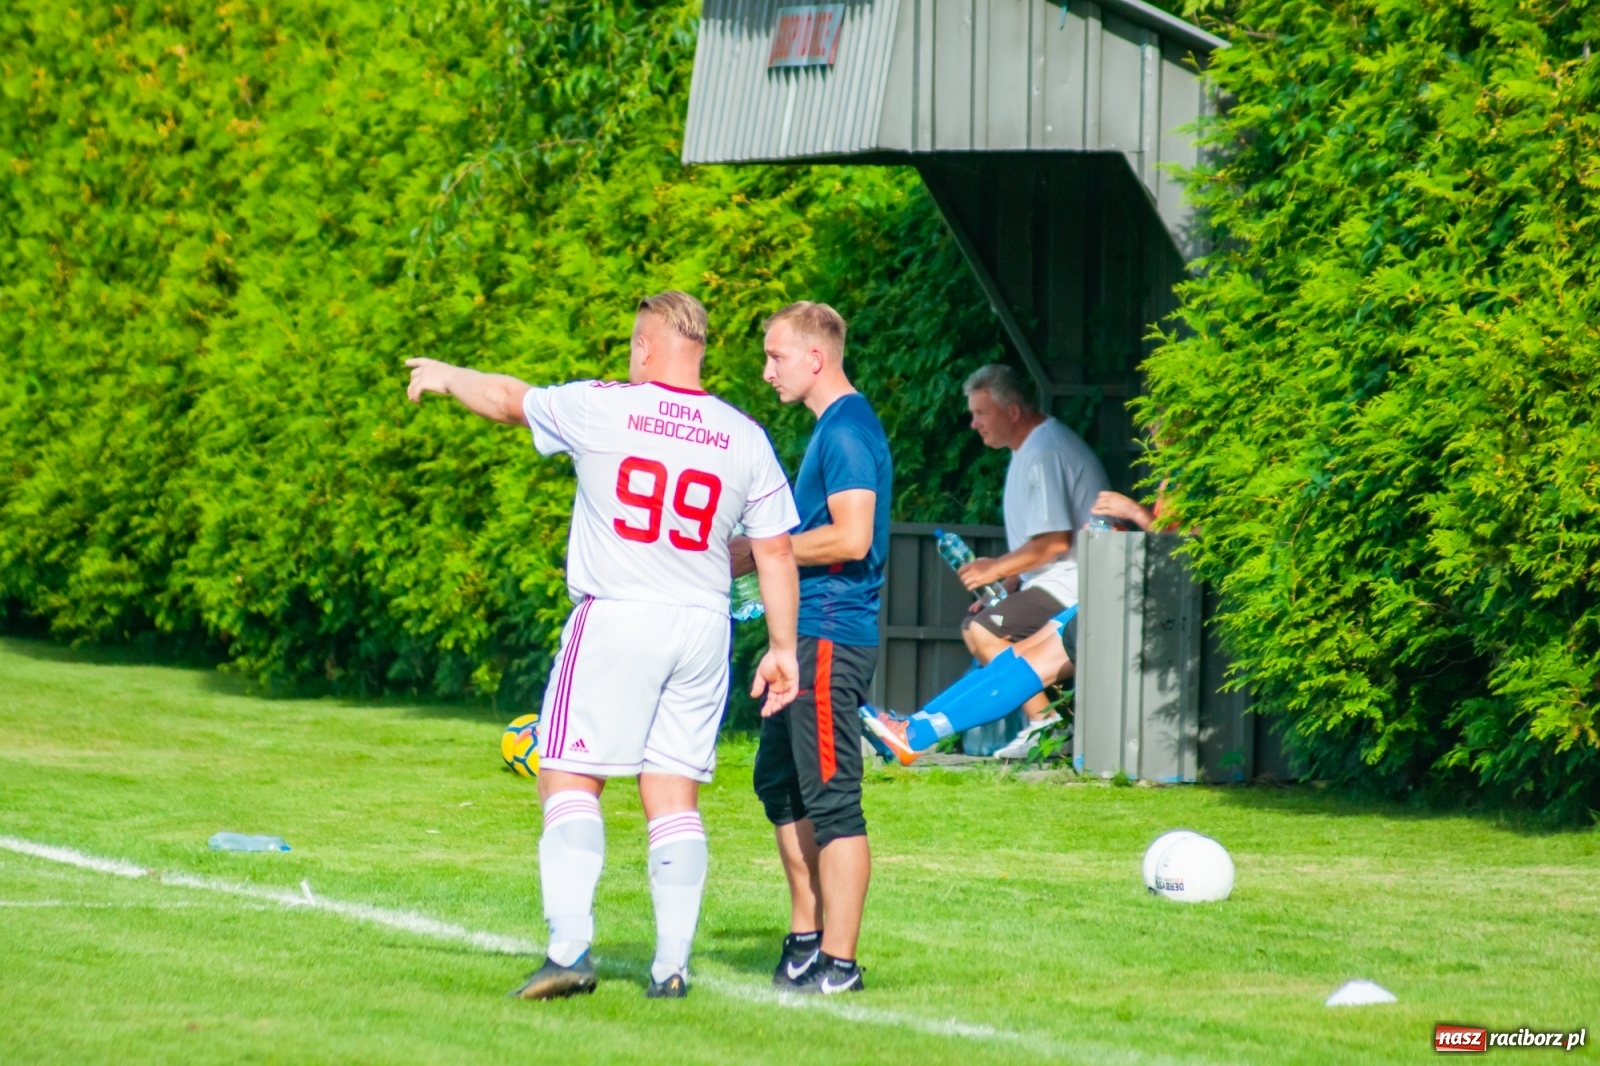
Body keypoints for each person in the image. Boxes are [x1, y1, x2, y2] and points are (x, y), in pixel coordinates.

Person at [405, 291, 801, 1001]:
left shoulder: (606, 405)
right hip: (704, 625)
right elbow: (774, 551)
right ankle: (671, 969)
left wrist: (443, 372)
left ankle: (567, 951)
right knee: (674, 793)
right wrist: (782, 649)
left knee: (566, 775)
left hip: (619, 615)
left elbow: (504, 398)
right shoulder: (743, 434)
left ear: (645, 348)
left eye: (631, 345)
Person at [731, 301, 891, 995]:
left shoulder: (849, 430)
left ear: (815, 358)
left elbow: (853, 538)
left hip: (831, 637)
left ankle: (840, 964)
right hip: (803, 637)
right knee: (780, 785)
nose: (767, 371)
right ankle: (805, 940)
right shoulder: (831, 429)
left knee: (832, 800)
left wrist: (763, 549)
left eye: (776, 356)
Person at [957, 364, 1107, 760]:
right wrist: (1010, 584)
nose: (974, 424)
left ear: (1013, 412)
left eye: (981, 413)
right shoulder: (1032, 448)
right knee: (980, 625)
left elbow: (1055, 542)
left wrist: (997, 569)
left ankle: (1046, 728)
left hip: (1074, 584)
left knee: (983, 630)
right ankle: (1061, 725)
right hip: (1057, 580)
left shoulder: (1044, 452)